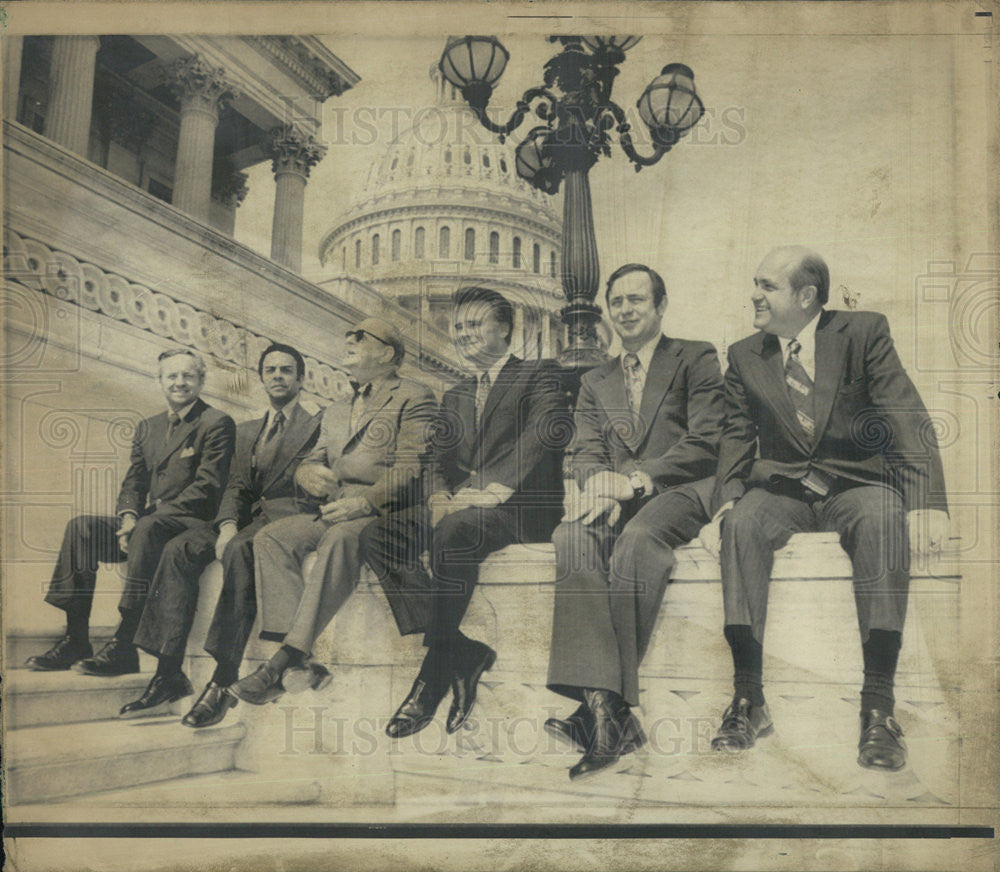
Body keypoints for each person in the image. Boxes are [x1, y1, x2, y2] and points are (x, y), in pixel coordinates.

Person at [698, 246, 950, 771]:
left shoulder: (862, 332)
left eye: (767, 285)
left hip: (856, 484)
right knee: (741, 524)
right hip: (785, 492)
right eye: (755, 283)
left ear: (806, 296)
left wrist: (927, 502)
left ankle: (878, 710)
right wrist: (725, 502)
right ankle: (748, 700)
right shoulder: (745, 355)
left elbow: (903, 412)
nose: (754, 294)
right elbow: (736, 437)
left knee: (884, 517)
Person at [362, 286, 568, 739]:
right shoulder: (454, 394)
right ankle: (457, 648)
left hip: (517, 508)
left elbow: (542, 435)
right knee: (380, 535)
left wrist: (493, 490)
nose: (463, 334)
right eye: (457, 327)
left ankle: (431, 675)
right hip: (459, 507)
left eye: (474, 324)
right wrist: (436, 496)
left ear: (505, 329)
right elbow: (436, 457)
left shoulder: (538, 374)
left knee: (454, 532)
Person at [544, 263, 725, 780]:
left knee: (637, 544)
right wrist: (597, 482)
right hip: (617, 493)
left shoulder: (695, 356)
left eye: (636, 301)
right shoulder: (594, 380)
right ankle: (610, 711)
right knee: (571, 536)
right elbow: (585, 448)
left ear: (660, 306)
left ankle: (602, 715)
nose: (624, 311)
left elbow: (706, 439)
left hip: (682, 488)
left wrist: (637, 480)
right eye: (616, 302)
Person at [224, 318, 437, 706]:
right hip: (335, 506)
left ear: (387, 354)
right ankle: (300, 664)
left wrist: (366, 501)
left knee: (339, 539)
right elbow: (311, 459)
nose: (349, 341)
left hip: (384, 511)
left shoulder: (414, 395)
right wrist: (308, 475)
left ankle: (281, 664)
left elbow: (412, 466)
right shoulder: (337, 409)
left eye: (360, 337)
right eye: (348, 336)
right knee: (270, 537)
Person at [118, 344, 321, 723]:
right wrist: (227, 523)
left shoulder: (317, 427)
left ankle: (223, 680)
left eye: (287, 370)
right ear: (261, 378)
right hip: (239, 520)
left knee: (242, 550)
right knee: (179, 549)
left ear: (301, 379)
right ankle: (167, 671)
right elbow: (235, 487)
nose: (278, 376)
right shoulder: (246, 431)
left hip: (286, 522)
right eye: (270, 370)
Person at [26, 349, 236, 677]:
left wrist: (143, 522)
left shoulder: (216, 422)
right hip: (149, 522)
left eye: (188, 376)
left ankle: (124, 646)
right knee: (82, 528)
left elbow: (208, 487)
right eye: (171, 376)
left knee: (149, 527)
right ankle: (76, 638)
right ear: (160, 381)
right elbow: (134, 482)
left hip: (191, 521)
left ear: (201, 380)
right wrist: (128, 518)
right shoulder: (147, 427)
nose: (179, 382)